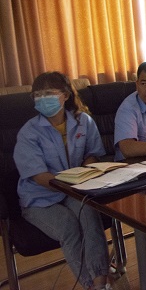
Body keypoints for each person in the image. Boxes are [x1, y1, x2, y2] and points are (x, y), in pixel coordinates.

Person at [13, 72, 112, 290]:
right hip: (39, 198)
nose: (42, 99)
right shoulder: (29, 132)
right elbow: (39, 176)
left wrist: (85, 171)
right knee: (68, 226)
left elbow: (93, 153)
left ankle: (101, 282)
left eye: (48, 93)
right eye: (37, 95)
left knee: (89, 215)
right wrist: (72, 183)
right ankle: (89, 284)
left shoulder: (83, 121)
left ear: (65, 95)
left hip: (73, 190)